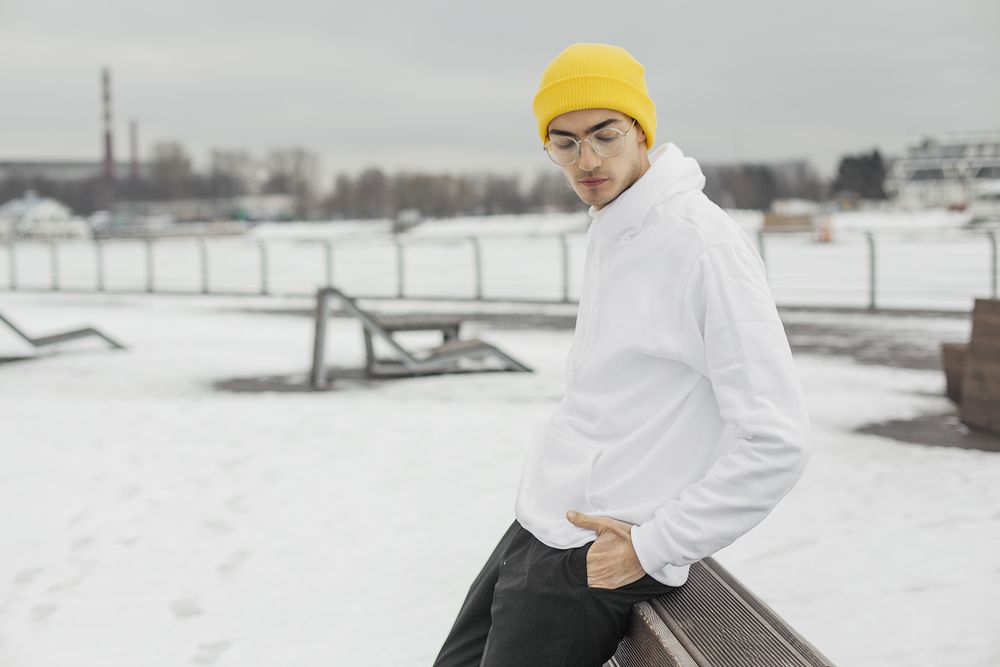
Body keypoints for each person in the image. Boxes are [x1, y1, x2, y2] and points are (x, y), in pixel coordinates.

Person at [433, 42, 812, 666]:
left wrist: (653, 544)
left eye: (604, 135)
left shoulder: (701, 247)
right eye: (565, 143)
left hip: (599, 552)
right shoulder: (616, 223)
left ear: (640, 131)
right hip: (541, 527)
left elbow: (777, 440)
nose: (587, 160)